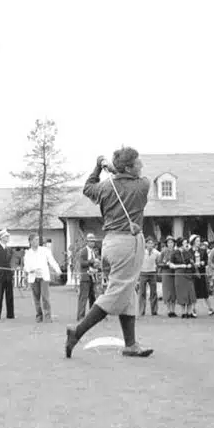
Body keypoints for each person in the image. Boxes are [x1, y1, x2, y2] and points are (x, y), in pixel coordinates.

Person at [65, 148, 153, 358]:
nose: (141, 165)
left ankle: (130, 344)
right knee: (117, 292)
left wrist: (99, 166)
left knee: (127, 290)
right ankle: (76, 333)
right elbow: (135, 176)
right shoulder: (142, 185)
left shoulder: (105, 187)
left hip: (111, 242)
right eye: (137, 163)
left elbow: (88, 188)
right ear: (129, 168)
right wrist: (112, 168)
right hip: (128, 243)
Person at [23, 233, 62, 323]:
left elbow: (52, 261)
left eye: (37, 239)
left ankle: (47, 316)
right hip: (33, 277)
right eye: (35, 240)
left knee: (45, 297)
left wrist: (57, 270)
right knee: (36, 298)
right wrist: (31, 270)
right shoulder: (27, 253)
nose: (37, 241)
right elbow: (26, 267)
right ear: (30, 242)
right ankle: (39, 315)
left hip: (44, 277)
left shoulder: (45, 251)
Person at [169, 237, 196, 318]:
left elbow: (192, 262)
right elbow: (171, 265)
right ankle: (183, 313)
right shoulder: (174, 253)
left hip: (188, 274)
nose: (186, 244)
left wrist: (191, 265)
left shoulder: (188, 253)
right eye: (185, 243)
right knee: (182, 293)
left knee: (190, 293)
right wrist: (181, 265)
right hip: (179, 274)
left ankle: (189, 312)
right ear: (180, 244)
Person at [77, 233, 100, 321]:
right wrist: (92, 261)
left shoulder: (93, 252)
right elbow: (82, 263)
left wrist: (96, 265)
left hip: (92, 277)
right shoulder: (83, 251)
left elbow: (94, 264)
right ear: (87, 242)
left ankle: (92, 316)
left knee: (92, 297)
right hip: (85, 277)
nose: (93, 243)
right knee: (83, 297)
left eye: (94, 241)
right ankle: (80, 316)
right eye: (91, 241)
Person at [190, 235, 214, 317]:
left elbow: (207, 261)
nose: (198, 242)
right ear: (193, 242)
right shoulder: (189, 251)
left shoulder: (203, 251)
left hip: (202, 273)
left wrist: (203, 263)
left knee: (205, 292)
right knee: (194, 292)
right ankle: (193, 310)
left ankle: (210, 309)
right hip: (193, 274)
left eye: (199, 240)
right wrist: (193, 264)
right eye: (197, 240)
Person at [139, 237, 160, 316]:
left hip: (152, 273)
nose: (150, 245)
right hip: (143, 273)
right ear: (146, 244)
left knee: (153, 293)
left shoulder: (156, 253)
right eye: (149, 243)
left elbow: (159, 261)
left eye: (152, 243)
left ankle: (154, 311)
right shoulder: (142, 252)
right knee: (142, 292)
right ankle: (141, 310)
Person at [157, 235, 177, 317]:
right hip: (166, 273)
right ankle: (169, 310)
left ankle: (173, 310)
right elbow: (159, 263)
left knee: (173, 292)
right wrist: (166, 264)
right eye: (168, 242)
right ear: (166, 244)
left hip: (174, 273)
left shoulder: (176, 252)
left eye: (172, 242)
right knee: (167, 292)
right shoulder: (163, 252)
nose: (170, 244)